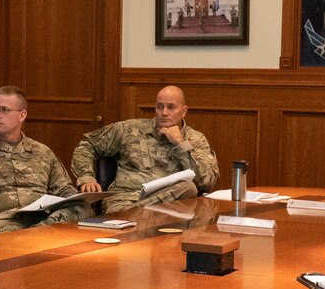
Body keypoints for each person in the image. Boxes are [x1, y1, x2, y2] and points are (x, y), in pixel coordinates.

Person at [71, 85, 220, 212]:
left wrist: (180, 144)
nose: (164, 113)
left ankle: (137, 215)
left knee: (188, 188)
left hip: (171, 210)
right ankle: (135, 215)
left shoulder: (196, 139)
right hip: (124, 202)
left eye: (171, 107)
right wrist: (86, 177)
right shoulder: (129, 129)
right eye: (159, 107)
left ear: (184, 111)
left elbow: (205, 183)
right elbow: (87, 144)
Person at [0, 87, 79, 232]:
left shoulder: (42, 152)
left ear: (22, 115)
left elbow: (65, 191)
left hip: (44, 219)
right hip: (5, 223)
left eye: (4, 110)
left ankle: (40, 233)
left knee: (81, 209)